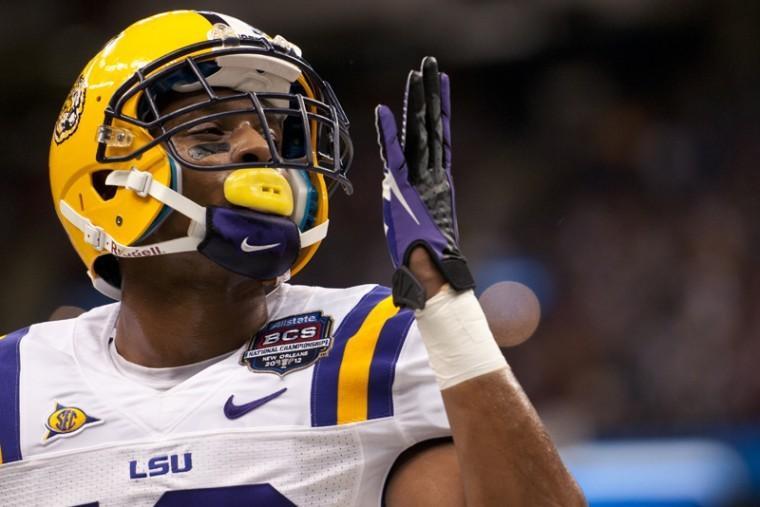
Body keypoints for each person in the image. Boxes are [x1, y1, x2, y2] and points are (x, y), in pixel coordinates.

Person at [0, 10, 584, 506]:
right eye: (210, 133)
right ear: (106, 186)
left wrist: (452, 317)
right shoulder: (15, 385)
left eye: (278, 136)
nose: (260, 149)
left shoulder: (376, 340)